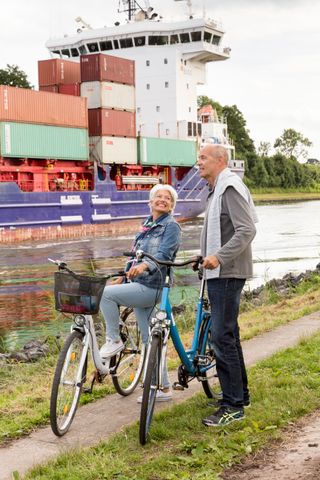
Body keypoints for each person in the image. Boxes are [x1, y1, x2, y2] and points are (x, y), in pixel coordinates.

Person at [99, 184, 181, 402]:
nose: (162, 200)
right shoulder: (146, 226)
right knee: (149, 340)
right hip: (139, 284)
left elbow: (164, 254)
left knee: (106, 295)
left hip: (153, 287)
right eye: (158, 197)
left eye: (167, 198)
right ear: (151, 201)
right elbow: (135, 256)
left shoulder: (171, 226)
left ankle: (113, 339)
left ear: (172, 205)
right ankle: (163, 388)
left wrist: (144, 267)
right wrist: (125, 276)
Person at [197, 144, 258, 427]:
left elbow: (247, 229)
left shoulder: (229, 187)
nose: (198, 162)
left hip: (227, 272)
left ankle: (232, 406)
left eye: (203, 157)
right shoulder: (216, 189)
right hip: (221, 272)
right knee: (228, 336)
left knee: (221, 338)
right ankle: (238, 396)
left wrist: (218, 257)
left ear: (220, 160)